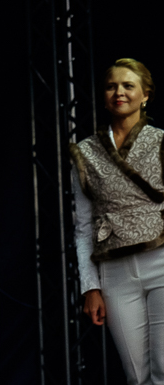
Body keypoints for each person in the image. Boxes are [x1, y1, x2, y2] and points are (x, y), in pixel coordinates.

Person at [71, 58, 164, 385]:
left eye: (128, 86)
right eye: (111, 86)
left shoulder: (160, 141)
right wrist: (90, 287)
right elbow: (83, 227)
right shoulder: (86, 152)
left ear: (145, 95)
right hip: (115, 272)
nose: (119, 92)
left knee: (163, 369)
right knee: (136, 375)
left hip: (161, 261)